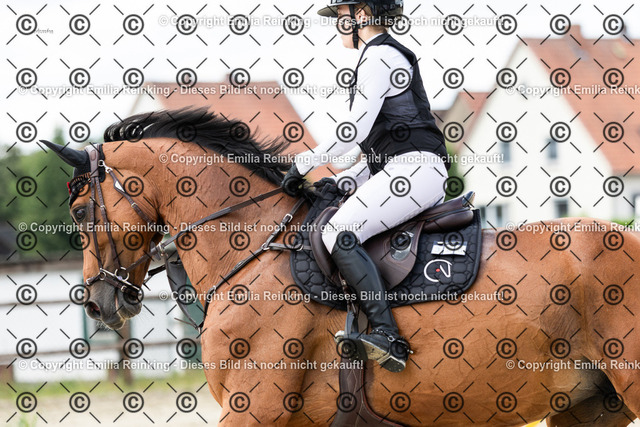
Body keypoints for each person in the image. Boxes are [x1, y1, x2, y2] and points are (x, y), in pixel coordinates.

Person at [282, 0, 450, 373]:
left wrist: (303, 162)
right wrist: (338, 180)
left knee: (338, 232)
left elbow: (351, 132)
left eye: (341, 16)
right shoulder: (379, 56)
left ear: (362, 16)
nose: (337, 25)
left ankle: (388, 337)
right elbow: (371, 154)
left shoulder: (378, 57)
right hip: (405, 169)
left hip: (415, 171)